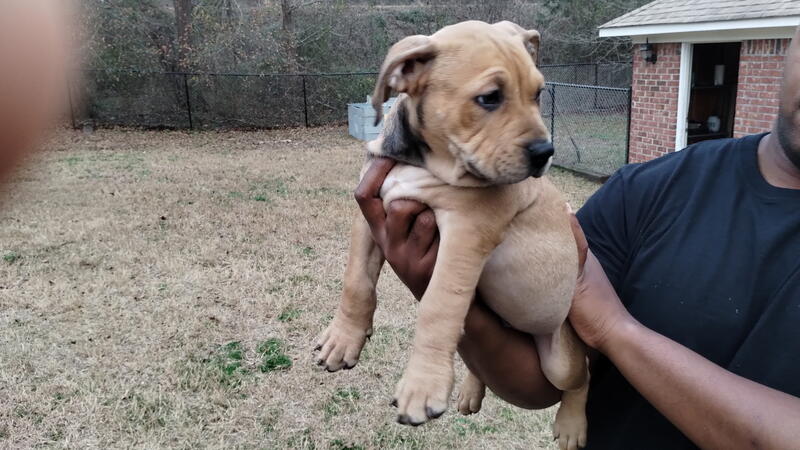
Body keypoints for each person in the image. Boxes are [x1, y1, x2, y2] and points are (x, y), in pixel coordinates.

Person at [354, 25, 800, 449]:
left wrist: (611, 328)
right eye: (491, 97)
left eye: (535, 95)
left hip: (563, 359)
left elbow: (563, 354)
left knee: (567, 370)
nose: (539, 137)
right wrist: (450, 316)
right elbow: (535, 376)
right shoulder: (644, 191)